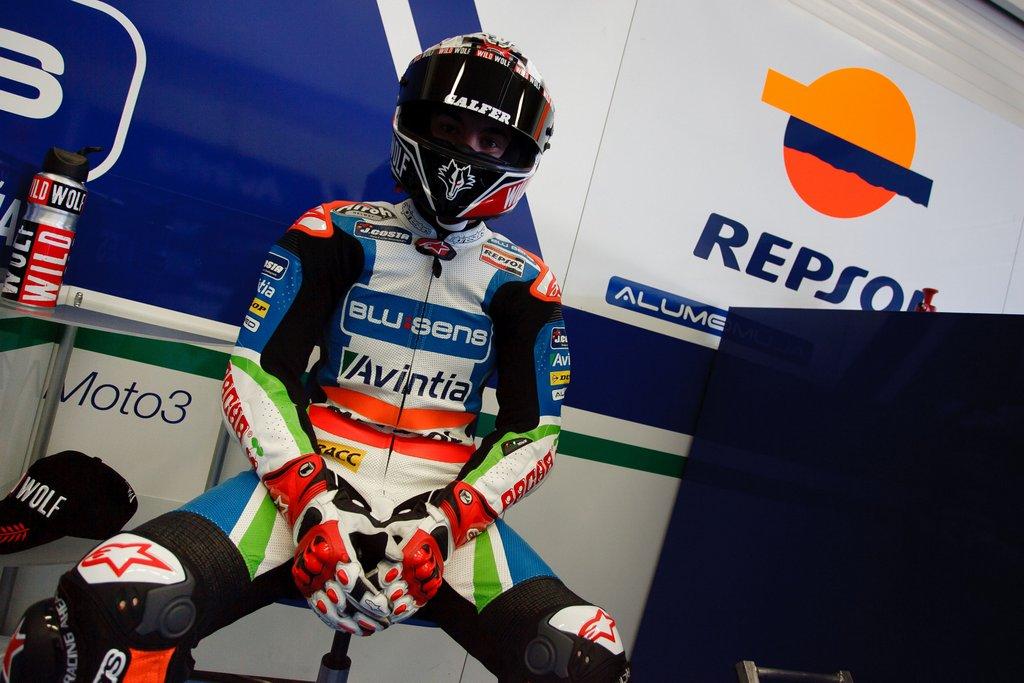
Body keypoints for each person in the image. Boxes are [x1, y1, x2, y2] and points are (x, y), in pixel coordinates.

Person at [3, 33, 630, 682]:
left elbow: (534, 431)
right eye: (449, 126)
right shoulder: (332, 231)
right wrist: (311, 501)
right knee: (88, 620)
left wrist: (446, 523)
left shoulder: (526, 283)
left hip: (447, 515)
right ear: (414, 122)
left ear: (519, 156)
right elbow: (257, 372)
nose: (466, 151)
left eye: (491, 141)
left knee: (588, 662)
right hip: (304, 483)